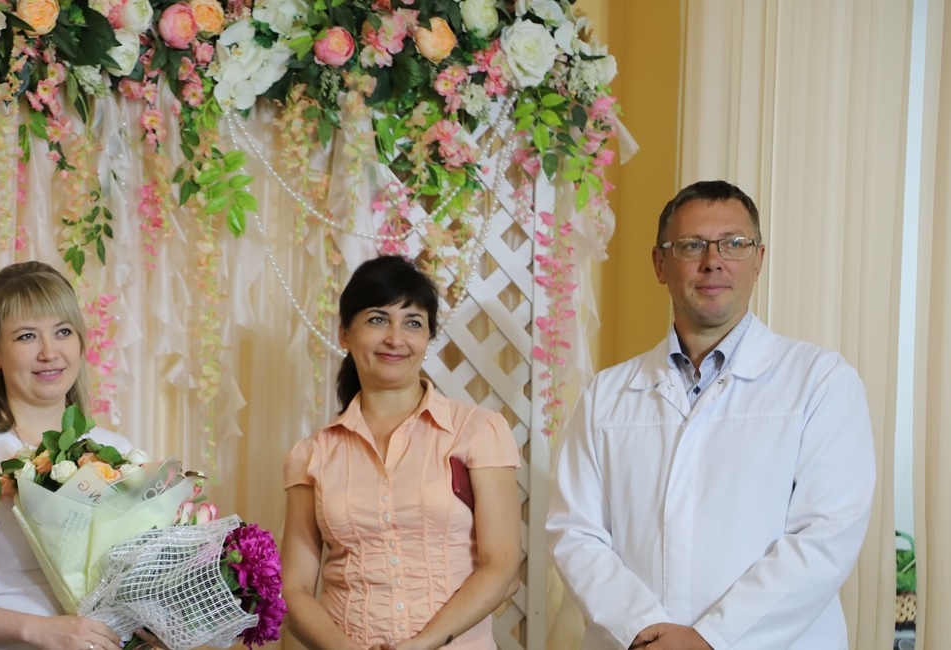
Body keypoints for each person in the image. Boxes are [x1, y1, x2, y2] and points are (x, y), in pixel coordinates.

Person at [546, 180, 875, 650]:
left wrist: (709, 638)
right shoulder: (606, 395)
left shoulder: (821, 382)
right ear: (660, 264)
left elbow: (825, 535)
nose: (713, 261)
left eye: (734, 244)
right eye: (691, 245)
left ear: (759, 260)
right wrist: (643, 629)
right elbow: (575, 532)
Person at [281, 255, 523, 650]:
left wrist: (422, 644)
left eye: (413, 323)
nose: (396, 338)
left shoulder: (479, 431)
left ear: (427, 338)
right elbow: (294, 590)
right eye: (378, 320)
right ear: (344, 334)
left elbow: (502, 566)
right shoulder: (311, 454)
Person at [0, 261, 128, 650]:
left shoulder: (117, 451)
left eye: (63, 331)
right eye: (27, 336)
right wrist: (41, 630)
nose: (49, 352)